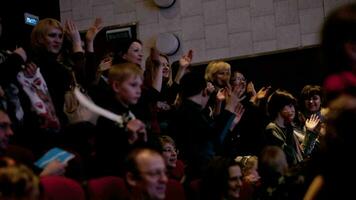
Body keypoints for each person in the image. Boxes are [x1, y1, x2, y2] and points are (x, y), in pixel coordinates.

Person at [169, 71, 240, 181]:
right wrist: (230, 106)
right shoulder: (191, 112)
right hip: (199, 173)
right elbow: (214, 138)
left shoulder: (185, 110)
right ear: (203, 91)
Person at [94, 62, 147, 177]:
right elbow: (106, 155)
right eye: (133, 85)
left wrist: (143, 138)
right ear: (116, 86)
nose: (139, 90)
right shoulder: (107, 116)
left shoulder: (131, 113)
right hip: (115, 177)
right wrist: (128, 139)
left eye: (140, 86)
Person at [265, 89, 320, 166]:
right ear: (279, 107)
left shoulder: (288, 128)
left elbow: (302, 153)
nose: (293, 109)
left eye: (293, 106)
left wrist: (309, 131)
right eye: (289, 105)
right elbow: (289, 157)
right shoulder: (272, 129)